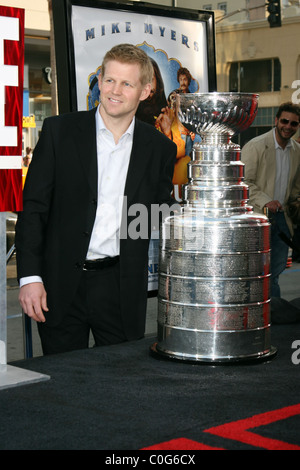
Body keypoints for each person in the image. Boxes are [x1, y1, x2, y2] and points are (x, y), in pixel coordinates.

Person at [15, 43, 177, 355]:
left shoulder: (159, 149)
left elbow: (150, 216)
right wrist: (30, 278)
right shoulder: (58, 132)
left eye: (127, 83)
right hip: (59, 285)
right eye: (109, 80)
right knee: (61, 382)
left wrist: (197, 214)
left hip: (120, 286)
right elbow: (34, 210)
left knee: (121, 383)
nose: (115, 91)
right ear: (99, 81)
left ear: (145, 91)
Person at [241, 102, 300, 297]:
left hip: (282, 220)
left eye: (294, 124)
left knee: (276, 270)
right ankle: (259, 312)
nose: (288, 126)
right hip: (258, 219)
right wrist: (266, 200)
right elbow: (243, 182)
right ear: (276, 121)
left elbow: (295, 188)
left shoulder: (297, 151)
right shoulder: (256, 146)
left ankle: (271, 311)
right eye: (285, 121)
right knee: (256, 271)